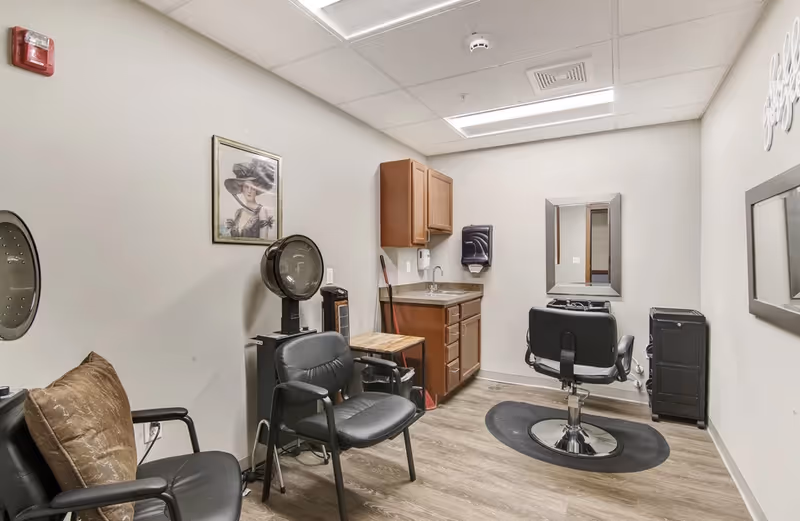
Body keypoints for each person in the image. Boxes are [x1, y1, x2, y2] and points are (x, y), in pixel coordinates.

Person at [223, 158, 276, 239]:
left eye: (253, 188)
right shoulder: (238, 212)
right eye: (246, 187)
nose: (249, 191)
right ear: (242, 189)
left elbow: (263, 239)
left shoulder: (261, 210)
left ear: (256, 190)